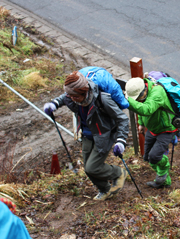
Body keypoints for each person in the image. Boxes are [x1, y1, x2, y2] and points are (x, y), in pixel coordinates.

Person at [43, 71, 129, 201]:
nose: (71, 99)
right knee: (88, 169)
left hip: (104, 135)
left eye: (75, 96)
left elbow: (122, 119)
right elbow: (64, 97)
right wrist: (54, 103)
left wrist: (121, 140)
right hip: (87, 134)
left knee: (92, 167)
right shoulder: (74, 96)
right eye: (70, 95)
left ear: (84, 92)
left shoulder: (102, 99)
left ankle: (118, 173)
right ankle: (104, 189)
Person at [125, 77, 178, 189]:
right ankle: (164, 181)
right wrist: (141, 124)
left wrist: (127, 101)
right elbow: (141, 109)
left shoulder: (157, 92)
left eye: (139, 98)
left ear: (144, 90)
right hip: (153, 129)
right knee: (147, 157)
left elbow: (146, 109)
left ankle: (163, 171)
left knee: (155, 157)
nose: (138, 101)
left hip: (166, 129)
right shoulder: (143, 94)